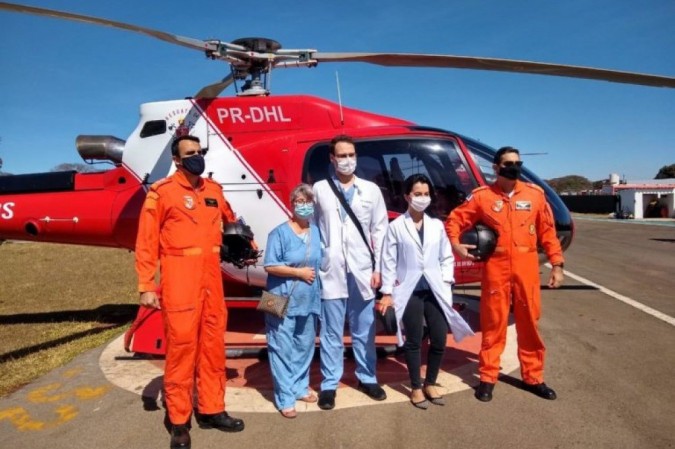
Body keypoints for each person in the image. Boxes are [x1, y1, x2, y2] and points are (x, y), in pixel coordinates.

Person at [135, 135, 248, 449]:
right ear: (177, 159)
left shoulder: (214, 190)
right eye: (190, 153)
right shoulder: (162, 193)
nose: (197, 157)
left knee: (213, 347)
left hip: (212, 278)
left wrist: (243, 242)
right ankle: (179, 421)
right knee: (182, 350)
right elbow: (146, 241)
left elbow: (231, 221)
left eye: (200, 152)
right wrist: (146, 284)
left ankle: (212, 409)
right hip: (179, 275)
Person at [445, 146, 564, 403]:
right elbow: (454, 221)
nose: (514, 167)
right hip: (496, 269)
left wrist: (556, 264)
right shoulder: (482, 197)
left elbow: (548, 232)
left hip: (527, 269)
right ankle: (488, 377)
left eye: (518, 163)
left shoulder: (535, 195)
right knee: (493, 325)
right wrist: (456, 244)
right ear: (496, 168)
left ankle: (533, 377)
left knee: (529, 324)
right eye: (508, 163)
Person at [379, 174, 474, 409]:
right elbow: (388, 261)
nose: (422, 198)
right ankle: (416, 387)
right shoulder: (396, 227)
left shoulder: (436, 225)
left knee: (439, 338)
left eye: (426, 194)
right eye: (417, 194)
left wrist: (447, 281)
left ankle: (431, 382)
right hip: (410, 289)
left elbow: (445, 256)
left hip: (435, 288)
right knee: (413, 340)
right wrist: (387, 291)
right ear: (406, 197)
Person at [312, 134, 389, 410]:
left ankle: (367, 377)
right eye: (342, 156)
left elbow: (380, 232)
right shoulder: (320, 189)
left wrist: (380, 268)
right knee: (331, 331)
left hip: (363, 270)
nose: (347, 160)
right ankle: (329, 383)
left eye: (351, 155)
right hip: (331, 269)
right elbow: (312, 228)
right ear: (332, 159)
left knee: (364, 329)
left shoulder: (371, 190)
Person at [263, 184, 321, 418]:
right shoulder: (278, 233)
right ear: (291, 204)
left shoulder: (316, 232)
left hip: (308, 299)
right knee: (280, 347)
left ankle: (299, 386)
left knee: (304, 346)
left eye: (308, 201)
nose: (304, 205)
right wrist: (298, 273)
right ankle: (285, 397)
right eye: (299, 201)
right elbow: (269, 265)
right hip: (277, 298)